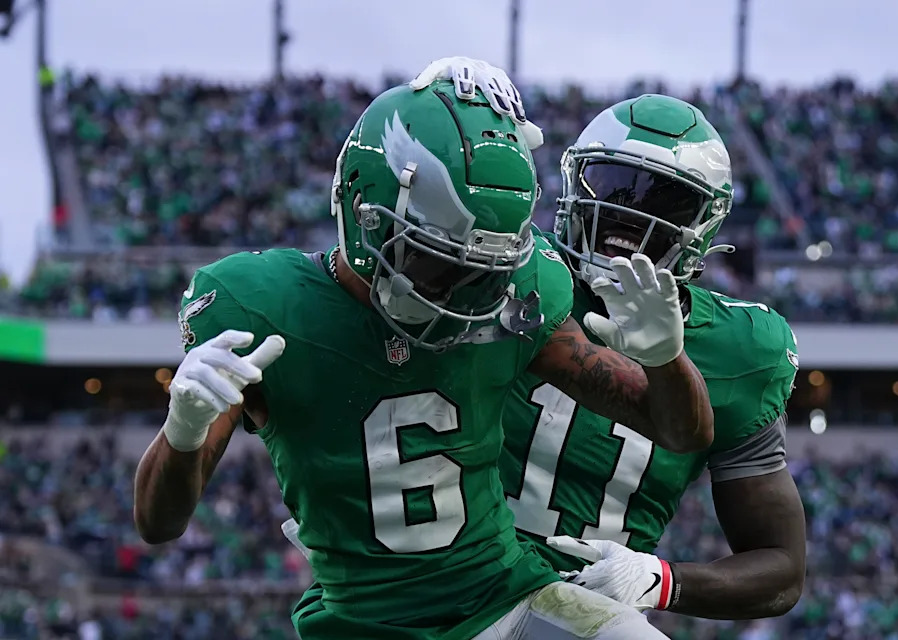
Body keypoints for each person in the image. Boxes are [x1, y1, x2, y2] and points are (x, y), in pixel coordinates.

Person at [133, 60, 713, 639]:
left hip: (503, 597)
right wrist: (182, 433)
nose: (462, 298)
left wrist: (666, 359)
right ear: (365, 214)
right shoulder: (261, 306)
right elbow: (159, 524)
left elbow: (681, 432)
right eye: (438, 262)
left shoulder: (519, 292)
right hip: (357, 624)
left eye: (486, 274)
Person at [499, 94, 806, 625]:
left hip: (585, 609)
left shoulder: (742, 349)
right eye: (611, 185)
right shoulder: (512, 269)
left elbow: (781, 570)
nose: (627, 211)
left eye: (666, 201)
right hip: (450, 573)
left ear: (702, 226)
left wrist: (660, 580)